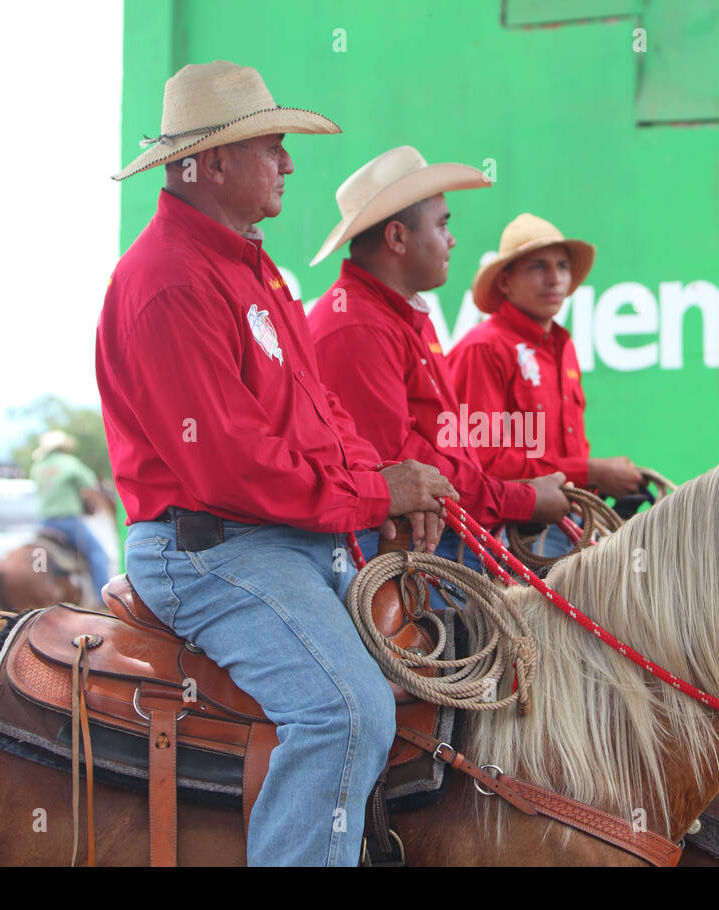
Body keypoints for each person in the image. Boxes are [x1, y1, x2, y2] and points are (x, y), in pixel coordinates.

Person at [96, 61, 456, 866]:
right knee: (348, 710)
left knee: (446, 667)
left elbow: (319, 420)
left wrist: (388, 484)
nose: (289, 164)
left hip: (274, 541)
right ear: (214, 163)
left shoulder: (250, 269)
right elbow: (230, 464)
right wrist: (374, 493)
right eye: (273, 147)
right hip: (213, 553)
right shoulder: (167, 283)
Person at [306, 147, 570, 576]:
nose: (451, 239)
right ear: (397, 237)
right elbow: (401, 468)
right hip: (410, 553)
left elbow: (439, 451)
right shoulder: (355, 327)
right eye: (442, 224)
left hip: (449, 537)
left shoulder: (400, 316)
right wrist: (523, 498)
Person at [448, 213, 643, 557]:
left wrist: (593, 482)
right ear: (505, 283)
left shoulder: (561, 345)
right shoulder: (484, 348)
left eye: (562, 266)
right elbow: (480, 462)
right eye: (538, 267)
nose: (554, 279)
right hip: (508, 536)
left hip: (567, 525)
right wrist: (589, 471)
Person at [29, 429, 110, 601]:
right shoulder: (70, 463)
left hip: (44, 523)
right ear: (63, 447)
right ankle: (104, 601)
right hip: (68, 521)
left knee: (40, 562)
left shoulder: (37, 468)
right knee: (98, 554)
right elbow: (90, 485)